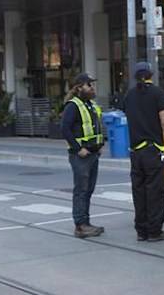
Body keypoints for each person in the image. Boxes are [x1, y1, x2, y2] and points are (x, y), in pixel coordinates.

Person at [123, 62, 164, 242]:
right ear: (151, 75)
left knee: (139, 192)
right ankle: (155, 231)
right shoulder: (157, 93)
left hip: (136, 153)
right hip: (153, 151)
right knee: (156, 192)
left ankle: (141, 231)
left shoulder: (129, 96)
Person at [61, 73, 105, 238]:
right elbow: (65, 129)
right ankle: (80, 225)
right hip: (81, 156)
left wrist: (100, 145)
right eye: (89, 85)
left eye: (92, 85)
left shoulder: (90, 105)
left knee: (88, 190)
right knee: (81, 190)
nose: (92, 88)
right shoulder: (73, 106)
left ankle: (85, 223)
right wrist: (78, 148)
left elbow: (97, 126)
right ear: (79, 87)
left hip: (93, 154)